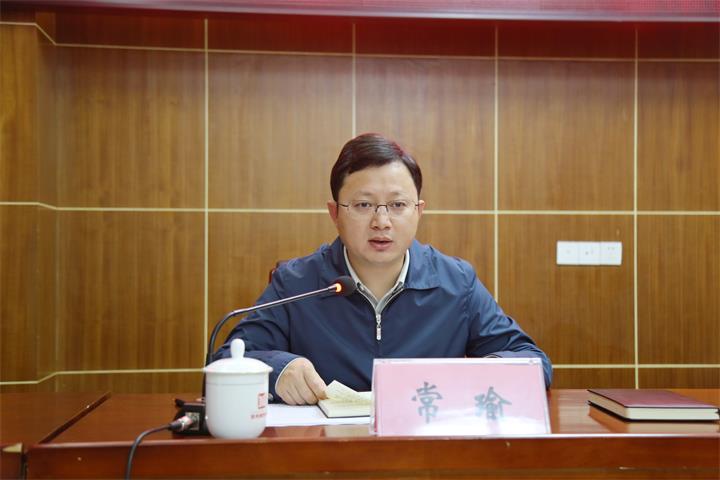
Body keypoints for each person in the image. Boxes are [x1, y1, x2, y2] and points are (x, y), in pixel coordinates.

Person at [214, 133, 552, 405]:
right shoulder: (297, 282)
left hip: (424, 454)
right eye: (363, 204)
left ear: (418, 211)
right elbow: (225, 361)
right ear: (335, 213)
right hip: (326, 456)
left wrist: (481, 374)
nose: (382, 221)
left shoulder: (456, 283)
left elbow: (534, 362)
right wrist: (278, 370)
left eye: (398, 204)